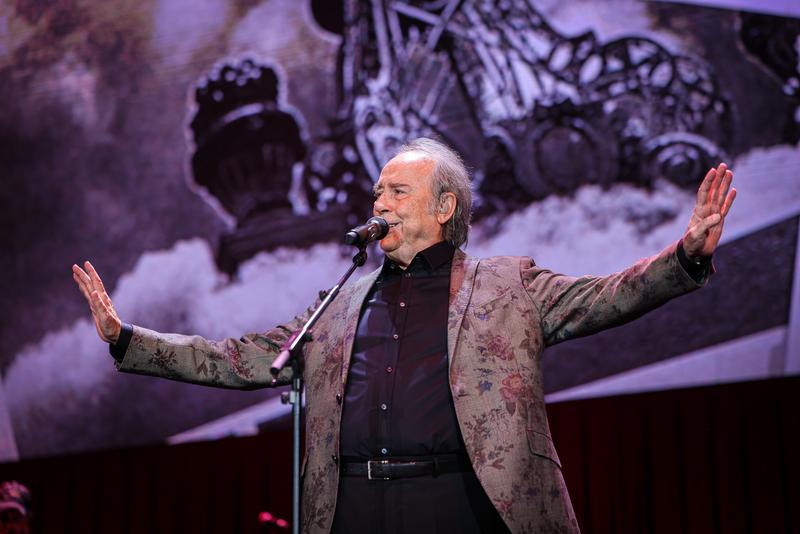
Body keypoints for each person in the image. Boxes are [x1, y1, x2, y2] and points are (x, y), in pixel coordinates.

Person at [72, 138, 736, 534]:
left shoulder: (507, 286)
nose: (378, 204)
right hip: (358, 509)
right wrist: (129, 338)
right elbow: (241, 358)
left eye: (396, 191)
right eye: (376, 194)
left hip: (465, 506)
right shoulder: (341, 301)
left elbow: (609, 296)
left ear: (444, 207)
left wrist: (685, 256)